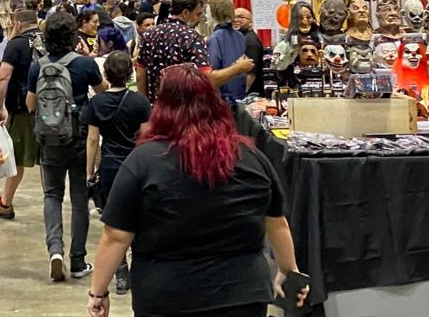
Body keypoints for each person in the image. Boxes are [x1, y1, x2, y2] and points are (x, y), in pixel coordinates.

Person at [87, 65, 306, 317]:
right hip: (243, 295)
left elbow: (116, 235)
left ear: (162, 107)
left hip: (167, 297)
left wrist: (98, 292)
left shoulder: (142, 162)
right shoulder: (252, 158)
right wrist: (289, 271)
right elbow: (277, 222)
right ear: (215, 103)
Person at [27, 12, 107, 282]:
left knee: (52, 195)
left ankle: (55, 252)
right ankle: (77, 259)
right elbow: (103, 92)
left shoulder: (37, 67)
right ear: (74, 36)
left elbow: (29, 104)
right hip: (80, 138)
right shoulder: (85, 64)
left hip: (49, 140)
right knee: (79, 198)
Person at [84, 52, 151, 296]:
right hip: (137, 165)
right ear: (130, 74)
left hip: (111, 166)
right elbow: (147, 136)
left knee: (115, 220)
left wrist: (89, 172)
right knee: (141, 216)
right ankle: (139, 265)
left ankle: (121, 271)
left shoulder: (97, 103)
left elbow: (93, 140)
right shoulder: (140, 102)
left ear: (106, 74)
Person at [136, 0, 253, 100]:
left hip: (157, 110)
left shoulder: (150, 34)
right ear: (186, 12)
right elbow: (207, 79)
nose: (199, 19)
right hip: (185, 112)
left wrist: (145, 107)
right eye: (197, 14)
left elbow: (140, 74)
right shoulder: (191, 38)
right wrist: (237, 68)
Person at [0, 9, 43, 219]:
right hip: (51, 109)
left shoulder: (15, 45)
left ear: (17, 24)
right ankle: (53, 199)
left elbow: (2, 78)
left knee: (16, 158)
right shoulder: (49, 39)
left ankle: (5, 203)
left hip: (22, 109)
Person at [206, 0, 249, 104]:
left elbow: (212, 72)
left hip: (221, 99)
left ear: (213, 14)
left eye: (207, 12)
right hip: (239, 95)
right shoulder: (240, 36)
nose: (205, 16)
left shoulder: (215, 38)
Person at [234, 8, 265, 95]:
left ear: (250, 21)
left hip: (251, 96)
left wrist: (241, 94)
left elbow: (251, 73)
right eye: (234, 17)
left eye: (240, 17)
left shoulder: (250, 40)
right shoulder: (241, 38)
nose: (236, 20)